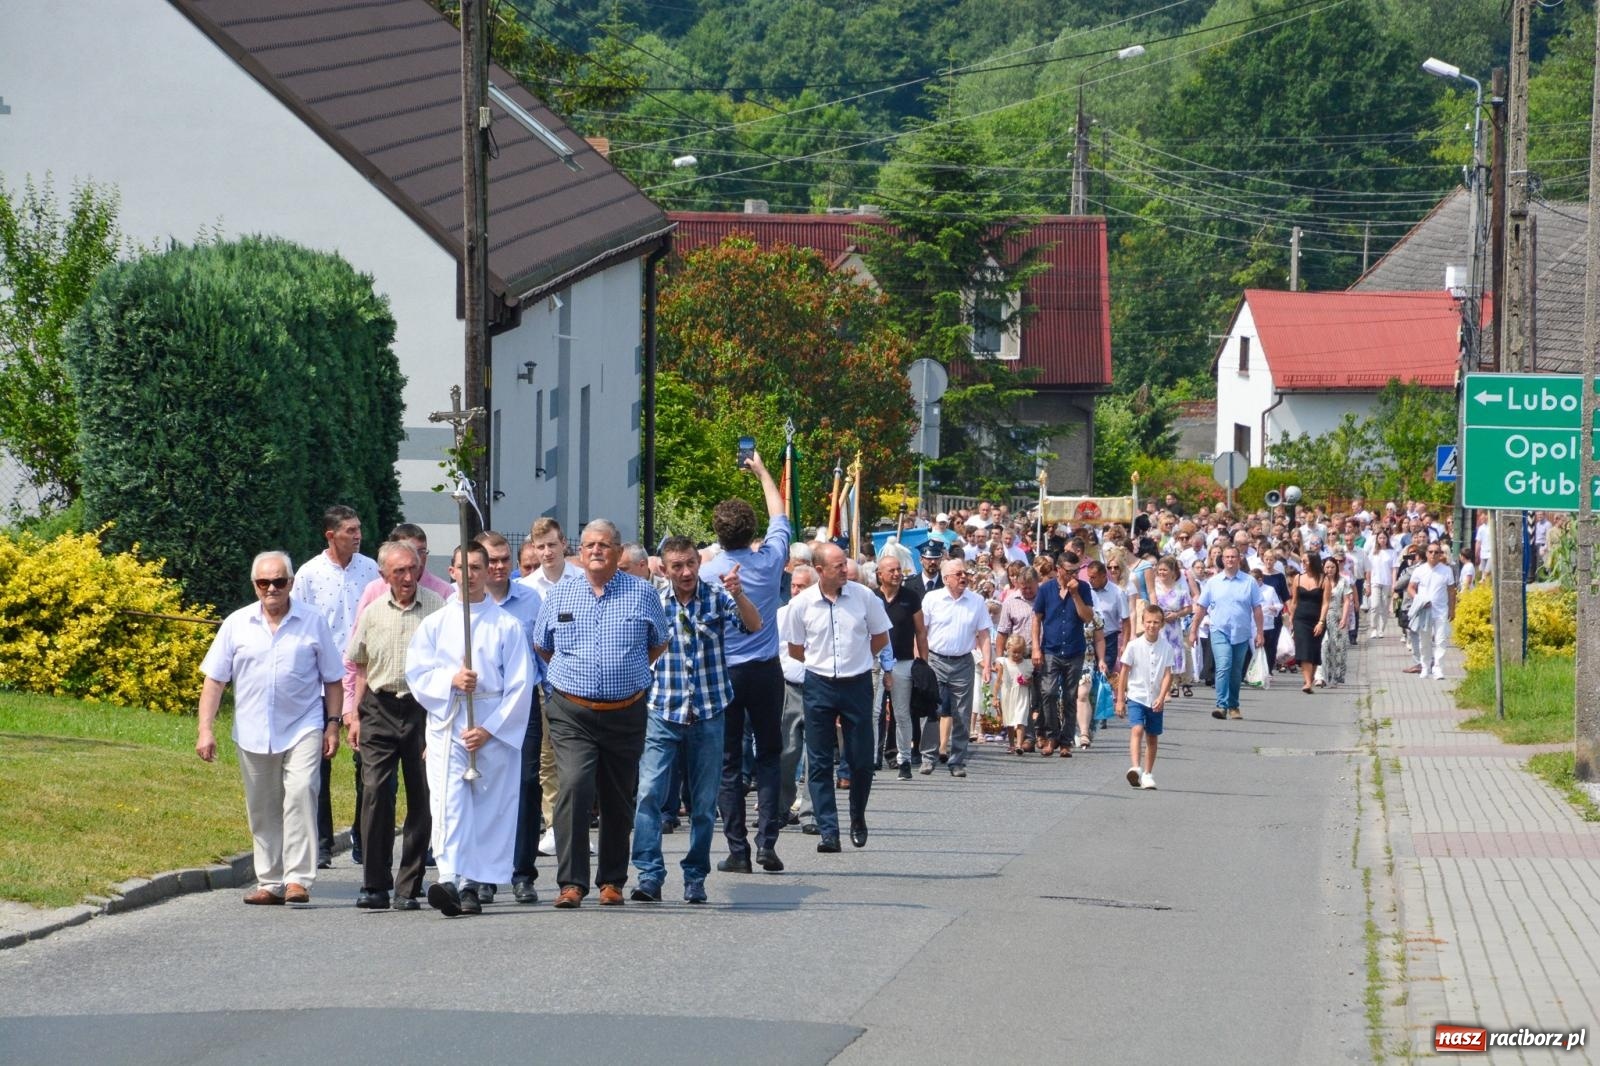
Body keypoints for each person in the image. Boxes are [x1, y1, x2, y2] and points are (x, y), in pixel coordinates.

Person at [533, 520, 670, 908]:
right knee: (574, 786)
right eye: (590, 545)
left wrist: (623, 672)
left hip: (625, 711)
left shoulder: (642, 593)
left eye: (604, 545)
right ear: (579, 551)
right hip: (571, 711)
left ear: (617, 552)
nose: (596, 551)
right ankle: (571, 883)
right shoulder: (561, 594)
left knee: (617, 796)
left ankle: (611, 880)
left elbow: (658, 643)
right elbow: (544, 646)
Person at [197, 551, 343, 905]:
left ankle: (297, 879)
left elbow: (334, 679)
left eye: (279, 581)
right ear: (255, 585)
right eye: (264, 583)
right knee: (262, 806)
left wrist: (333, 724)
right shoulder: (236, 623)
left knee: (301, 793)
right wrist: (206, 729)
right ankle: (270, 881)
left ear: (291, 583)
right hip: (252, 730)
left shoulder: (313, 621)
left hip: (303, 726)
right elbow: (215, 681)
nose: (272, 589)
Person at [406, 543, 533, 917]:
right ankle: (450, 875)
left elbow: (521, 685)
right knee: (449, 800)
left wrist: (491, 730)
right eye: (466, 567)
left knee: (488, 805)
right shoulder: (436, 624)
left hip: (491, 719)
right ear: (453, 571)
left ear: (488, 571)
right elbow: (417, 673)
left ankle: (474, 883)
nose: (472, 574)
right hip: (450, 721)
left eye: (479, 567)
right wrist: (452, 679)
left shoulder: (506, 625)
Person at [632, 536, 762, 903]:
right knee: (649, 795)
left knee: (704, 804)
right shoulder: (653, 600)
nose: (686, 572)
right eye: (677, 566)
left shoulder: (717, 596)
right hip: (664, 709)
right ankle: (649, 875)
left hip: (708, 710)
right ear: (664, 567)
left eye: (691, 563)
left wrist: (738, 594)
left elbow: (754, 625)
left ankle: (695, 876)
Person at [698, 451, 791, 878]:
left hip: (724, 671)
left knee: (729, 760)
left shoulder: (707, 572)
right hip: (765, 668)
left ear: (717, 533)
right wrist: (761, 471)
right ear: (752, 531)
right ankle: (767, 842)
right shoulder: (771, 560)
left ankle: (738, 849)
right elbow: (779, 510)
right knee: (769, 753)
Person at [344, 541, 443, 910]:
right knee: (374, 792)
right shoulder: (371, 612)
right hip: (379, 708)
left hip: (422, 708)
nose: (406, 576)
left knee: (423, 794)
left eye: (412, 569)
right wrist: (353, 715)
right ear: (384, 574)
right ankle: (374, 884)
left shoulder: (437, 608)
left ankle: (408, 885)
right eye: (398, 570)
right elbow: (360, 664)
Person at [782, 543, 891, 851]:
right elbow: (795, 649)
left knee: (860, 759)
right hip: (818, 684)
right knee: (818, 760)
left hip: (856, 682)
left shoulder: (864, 597)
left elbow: (881, 636)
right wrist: (822, 664)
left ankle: (857, 816)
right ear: (820, 571)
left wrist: (858, 658)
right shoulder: (802, 604)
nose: (845, 569)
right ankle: (829, 829)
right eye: (838, 565)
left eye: (846, 564)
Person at [293, 504, 380, 868]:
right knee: (318, 765)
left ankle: (363, 837)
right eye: (350, 530)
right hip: (323, 681)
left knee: (368, 765)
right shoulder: (309, 574)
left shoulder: (371, 569)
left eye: (359, 529)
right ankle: (323, 844)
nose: (358, 535)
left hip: (364, 676)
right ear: (331, 534)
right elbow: (298, 623)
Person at [475, 530, 546, 905]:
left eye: (505, 559)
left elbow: (543, 654)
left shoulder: (530, 600)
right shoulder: (468, 605)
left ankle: (522, 873)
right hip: (482, 706)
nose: (500, 566)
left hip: (523, 705)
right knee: (485, 787)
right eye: (493, 560)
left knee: (526, 784)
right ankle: (486, 873)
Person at [517, 516, 582, 860]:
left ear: (564, 544)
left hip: (578, 682)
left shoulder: (582, 580)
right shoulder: (526, 588)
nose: (546, 552)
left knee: (578, 759)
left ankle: (577, 826)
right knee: (546, 759)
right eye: (540, 547)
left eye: (552, 545)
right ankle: (555, 825)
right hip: (544, 683)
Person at [919, 558, 993, 778]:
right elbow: (921, 632)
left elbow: (985, 634)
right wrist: (920, 661)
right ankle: (928, 757)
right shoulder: (932, 598)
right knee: (931, 710)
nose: (964, 577)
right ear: (946, 579)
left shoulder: (976, 601)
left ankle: (957, 760)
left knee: (962, 712)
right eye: (958, 574)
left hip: (963, 661)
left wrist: (987, 663)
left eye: (965, 573)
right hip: (935, 660)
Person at [1031, 552, 1095, 755]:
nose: (1074, 575)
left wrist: (1075, 594)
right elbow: (1037, 619)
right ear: (1058, 569)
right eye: (1069, 572)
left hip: (1074, 649)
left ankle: (1066, 741)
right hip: (1050, 649)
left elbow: (1087, 618)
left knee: (1070, 696)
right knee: (1048, 693)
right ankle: (1052, 736)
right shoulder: (1046, 589)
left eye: (1077, 571)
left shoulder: (1083, 588)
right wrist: (1035, 647)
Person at [1190, 547, 1263, 721]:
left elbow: (1257, 608)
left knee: (1236, 671)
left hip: (1241, 632)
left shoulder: (1249, 582)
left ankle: (1234, 706)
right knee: (1223, 665)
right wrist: (1193, 630)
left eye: (1233, 557)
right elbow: (1201, 608)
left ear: (1239, 559)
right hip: (1219, 630)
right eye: (1227, 557)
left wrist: (1260, 632)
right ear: (1222, 560)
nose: (1230, 560)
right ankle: (1221, 705)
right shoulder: (1213, 582)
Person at [874, 554, 928, 780]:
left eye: (899, 570)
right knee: (873, 713)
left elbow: (920, 631)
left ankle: (904, 759)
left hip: (902, 661)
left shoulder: (910, 597)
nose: (897, 574)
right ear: (880, 575)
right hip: (875, 663)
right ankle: (871, 759)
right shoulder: (872, 597)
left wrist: (923, 662)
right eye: (892, 571)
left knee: (902, 713)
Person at [777, 564, 819, 834]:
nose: (795, 591)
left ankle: (811, 814)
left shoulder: (822, 613)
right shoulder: (781, 614)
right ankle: (781, 808)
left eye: (801, 586)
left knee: (815, 755)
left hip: (817, 687)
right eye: (793, 585)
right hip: (788, 688)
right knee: (787, 752)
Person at [1116, 603, 1174, 791]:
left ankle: (1148, 773)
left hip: (1155, 697)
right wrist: (1120, 699)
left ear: (1162, 624)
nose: (1152, 626)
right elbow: (1124, 672)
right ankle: (1136, 768)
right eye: (1148, 622)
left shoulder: (1166, 647)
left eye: (1156, 622)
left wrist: (1162, 696)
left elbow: (1167, 674)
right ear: (1142, 622)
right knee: (1137, 729)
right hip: (1136, 695)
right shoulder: (1133, 646)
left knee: (1152, 736)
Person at [1405, 542, 1457, 680]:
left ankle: (1438, 668)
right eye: (1431, 552)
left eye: (1436, 552)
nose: (1433, 554)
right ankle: (1425, 666)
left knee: (1440, 640)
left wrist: (1452, 609)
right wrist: (1419, 599)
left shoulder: (1446, 570)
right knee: (1425, 640)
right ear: (1426, 554)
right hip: (1425, 611)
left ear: (1440, 555)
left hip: (1441, 611)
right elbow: (1410, 588)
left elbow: (1451, 591)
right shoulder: (1420, 570)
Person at [1288, 549, 1331, 695]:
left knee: (1313, 650)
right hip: (1300, 619)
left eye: (1305, 561)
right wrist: (1291, 619)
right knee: (1304, 649)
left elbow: (1326, 603)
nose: (1303, 564)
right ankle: (1307, 682)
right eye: (1302, 561)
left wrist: (1321, 621)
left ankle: (1310, 678)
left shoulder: (1324, 579)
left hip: (1316, 619)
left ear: (1313, 561)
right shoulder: (1298, 579)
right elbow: (1294, 601)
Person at [994, 634, 1033, 753]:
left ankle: (1019, 745)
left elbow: (1031, 680)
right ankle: (1011, 744)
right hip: (1008, 694)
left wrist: (1027, 681)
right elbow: (999, 680)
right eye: (1014, 652)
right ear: (1007, 649)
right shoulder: (1004, 662)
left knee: (1020, 719)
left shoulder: (1027, 664)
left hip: (1021, 694)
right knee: (1009, 720)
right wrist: (995, 697)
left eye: (1020, 652)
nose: (1017, 655)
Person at [1319, 556, 1353, 687]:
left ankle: (1336, 677)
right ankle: (1323, 676)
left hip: (1337, 615)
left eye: (1332, 567)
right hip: (1323, 616)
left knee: (1337, 648)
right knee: (1324, 646)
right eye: (1327, 567)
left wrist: (1344, 618)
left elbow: (1346, 601)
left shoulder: (1343, 581)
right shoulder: (1321, 581)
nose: (1330, 570)